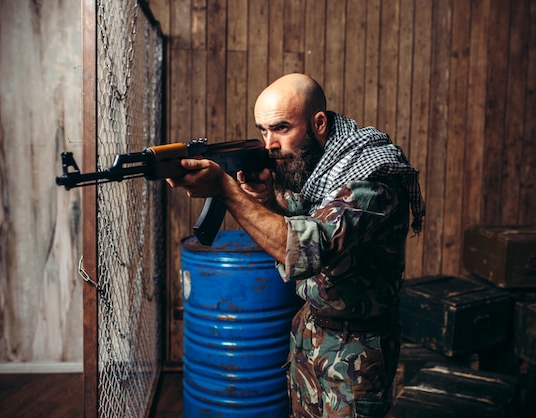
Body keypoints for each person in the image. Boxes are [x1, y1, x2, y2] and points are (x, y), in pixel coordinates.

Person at [167, 73, 425, 417]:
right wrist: (267, 202)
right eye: (263, 130)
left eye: (281, 128)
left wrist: (226, 190)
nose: (269, 144)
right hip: (309, 332)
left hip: (356, 350)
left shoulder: (372, 177)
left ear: (318, 122)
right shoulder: (317, 167)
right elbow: (300, 217)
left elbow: (310, 247)